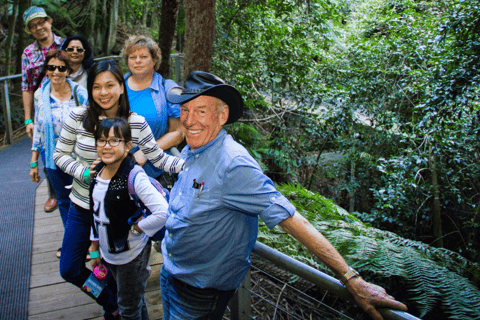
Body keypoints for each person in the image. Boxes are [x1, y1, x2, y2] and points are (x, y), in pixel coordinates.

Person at [160, 71, 409, 320]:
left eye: (201, 111)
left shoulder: (233, 164)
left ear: (222, 115)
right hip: (170, 275)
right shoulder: (195, 151)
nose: (189, 120)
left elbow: (290, 219)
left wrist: (350, 277)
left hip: (198, 294)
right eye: (185, 110)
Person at [53, 59, 184, 320]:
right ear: (89, 89)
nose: (104, 92)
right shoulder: (78, 118)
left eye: (110, 85)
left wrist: (192, 168)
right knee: (69, 268)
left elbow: (158, 158)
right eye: (97, 86)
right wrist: (84, 172)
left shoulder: (135, 122)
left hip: (118, 211)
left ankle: (121, 309)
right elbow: (60, 155)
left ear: (121, 88)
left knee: (124, 280)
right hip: (83, 207)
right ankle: (110, 302)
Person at [89, 117, 168, 320]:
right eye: (102, 140)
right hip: (110, 255)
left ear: (127, 146)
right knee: (134, 301)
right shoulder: (97, 173)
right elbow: (96, 212)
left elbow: (163, 211)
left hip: (132, 256)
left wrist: (138, 228)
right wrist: (94, 247)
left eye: (115, 140)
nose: (107, 146)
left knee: (127, 307)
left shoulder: (134, 176)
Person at [29, 49, 88, 259]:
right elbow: (38, 126)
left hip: (79, 156)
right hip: (53, 157)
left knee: (83, 198)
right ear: (46, 70)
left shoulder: (79, 92)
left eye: (61, 68)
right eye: (51, 67)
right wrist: (34, 160)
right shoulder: (40, 94)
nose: (56, 72)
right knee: (64, 201)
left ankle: (91, 242)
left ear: (68, 70)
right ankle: (72, 243)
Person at [122, 35, 183, 180]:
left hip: (153, 172)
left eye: (143, 56)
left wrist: (146, 152)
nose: (137, 61)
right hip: (117, 167)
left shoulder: (167, 88)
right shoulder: (116, 85)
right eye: (132, 57)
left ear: (154, 60)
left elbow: (178, 133)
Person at [22, 5, 63, 212]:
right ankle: (54, 192)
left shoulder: (65, 45)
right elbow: (27, 87)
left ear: (49, 22)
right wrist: (28, 119)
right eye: (33, 26)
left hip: (67, 104)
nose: (39, 28)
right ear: (29, 31)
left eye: (41, 23)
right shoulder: (28, 53)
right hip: (43, 110)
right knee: (47, 151)